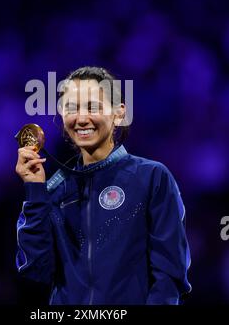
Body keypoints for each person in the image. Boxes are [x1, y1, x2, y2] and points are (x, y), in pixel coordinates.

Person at [15, 66, 192, 305]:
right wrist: (35, 191)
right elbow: (36, 270)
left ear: (119, 114)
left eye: (93, 107)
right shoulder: (56, 189)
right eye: (72, 108)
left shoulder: (151, 177)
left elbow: (170, 275)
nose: (81, 118)